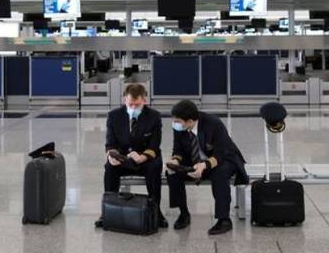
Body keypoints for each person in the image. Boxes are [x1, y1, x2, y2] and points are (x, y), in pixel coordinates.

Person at [165, 100, 247, 235]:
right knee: (172, 173)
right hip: (195, 158)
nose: (175, 124)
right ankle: (184, 213)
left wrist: (204, 165)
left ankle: (224, 219)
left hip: (224, 158)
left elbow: (221, 152)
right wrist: (175, 160)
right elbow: (178, 148)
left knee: (219, 175)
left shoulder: (213, 124)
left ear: (190, 121)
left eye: (178, 121)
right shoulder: (179, 127)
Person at [95, 83, 167, 229]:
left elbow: (154, 145)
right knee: (110, 168)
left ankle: (155, 210)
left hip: (146, 158)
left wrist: (142, 157)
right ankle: (108, 210)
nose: (133, 108)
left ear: (144, 101)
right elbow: (110, 143)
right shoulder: (114, 116)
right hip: (123, 158)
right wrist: (112, 156)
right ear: (124, 100)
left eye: (137, 105)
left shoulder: (154, 117)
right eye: (130, 104)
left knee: (154, 167)